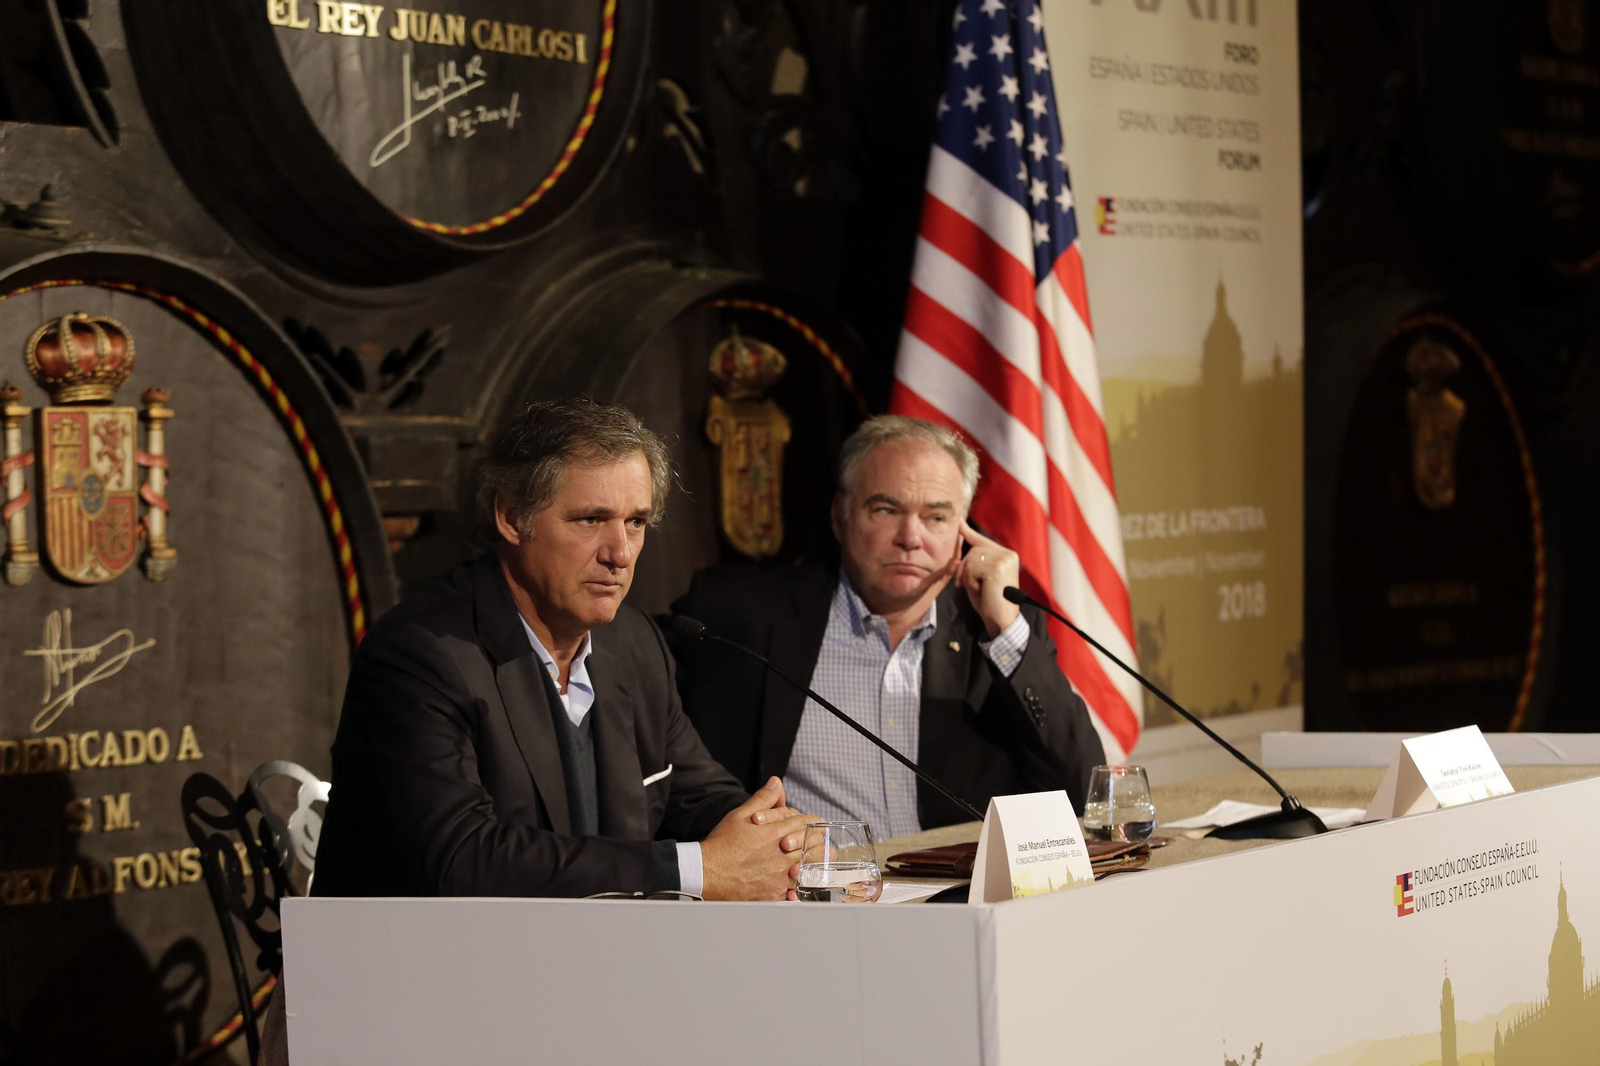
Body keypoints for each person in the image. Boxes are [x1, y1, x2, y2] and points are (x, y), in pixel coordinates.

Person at [313, 397, 810, 901]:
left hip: (592, 960)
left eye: (635, 523)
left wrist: (774, 840)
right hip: (420, 965)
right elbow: (464, 860)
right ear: (511, 517)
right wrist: (694, 867)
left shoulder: (635, 644)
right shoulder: (422, 655)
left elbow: (697, 795)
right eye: (591, 519)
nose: (619, 553)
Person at [669, 415, 1106, 838]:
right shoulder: (737, 614)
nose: (911, 537)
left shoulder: (994, 631)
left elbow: (1085, 791)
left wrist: (1005, 629)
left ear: (963, 533)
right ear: (840, 516)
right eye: (886, 509)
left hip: (959, 897)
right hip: (815, 902)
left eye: (936, 517)